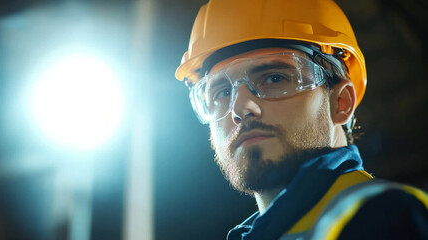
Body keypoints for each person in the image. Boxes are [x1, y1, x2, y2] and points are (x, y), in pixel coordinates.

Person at [175, 0, 428, 239]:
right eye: (222, 92)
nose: (240, 108)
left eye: (274, 78)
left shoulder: (389, 217)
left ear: (341, 102)